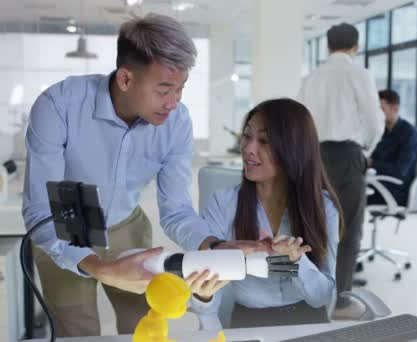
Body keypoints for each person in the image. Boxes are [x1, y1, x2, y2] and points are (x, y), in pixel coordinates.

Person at [21, 14, 264, 337]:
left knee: (143, 326)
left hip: (128, 227)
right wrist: (100, 267)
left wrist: (214, 244)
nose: (173, 102)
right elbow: (40, 213)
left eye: (180, 89)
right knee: (77, 332)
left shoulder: (177, 123)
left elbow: (176, 209)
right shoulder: (58, 105)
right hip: (65, 228)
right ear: (125, 79)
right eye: (164, 90)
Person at [186, 98, 342, 330]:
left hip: (308, 322)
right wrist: (203, 296)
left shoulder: (322, 206)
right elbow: (207, 301)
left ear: (293, 148)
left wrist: (297, 262)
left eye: (264, 141)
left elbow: (322, 297)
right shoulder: (224, 204)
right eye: (247, 137)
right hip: (250, 323)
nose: (248, 148)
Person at [297, 22, 384, 319]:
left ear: (327, 46)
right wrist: (366, 151)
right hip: (347, 156)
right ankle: (342, 300)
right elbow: (375, 120)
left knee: (313, 223)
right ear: (355, 46)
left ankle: (312, 293)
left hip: (315, 156)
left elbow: (300, 121)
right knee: (348, 228)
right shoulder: (359, 74)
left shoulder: (311, 78)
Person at [367, 90, 417, 206]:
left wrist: (372, 163)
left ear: (395, 108)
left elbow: (400, 171)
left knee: (349, 195)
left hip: (393, 191)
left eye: (382, 109)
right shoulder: (383, 132)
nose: (378, 114)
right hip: (377, 184)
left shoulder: (409, 134)